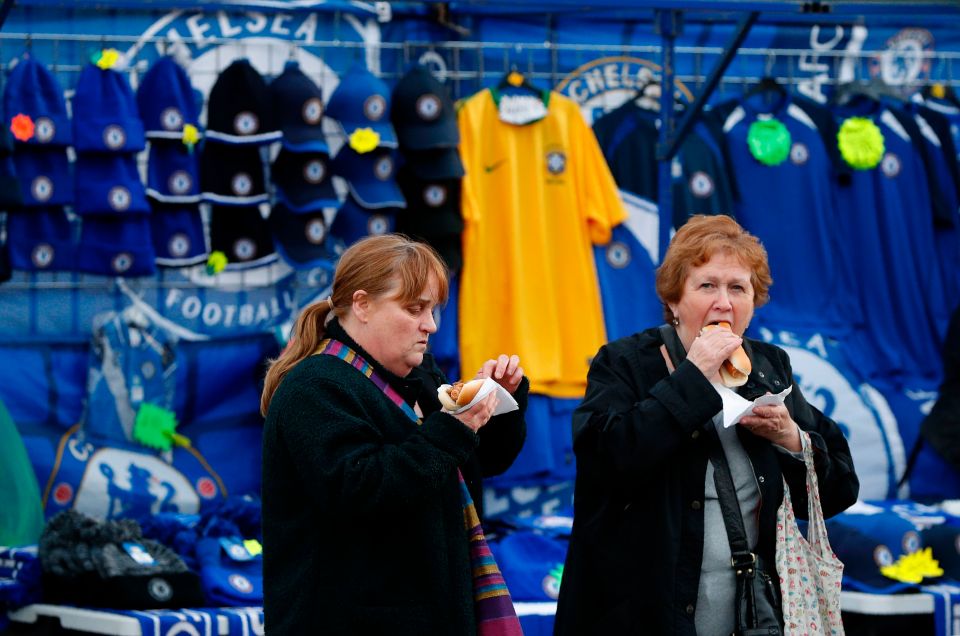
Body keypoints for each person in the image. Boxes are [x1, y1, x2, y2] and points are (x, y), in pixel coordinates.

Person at [554, 214, 858, 635]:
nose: (724, 303)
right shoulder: (625, 362)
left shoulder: (769, 368)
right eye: (707, 286)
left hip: (753, 618)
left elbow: (840, 491)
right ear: (675, 300)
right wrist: (692, 379)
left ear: (753, 304)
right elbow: (606, 462)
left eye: (738, 288)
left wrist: (791, 439)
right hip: (642, 618)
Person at [260, 234, 529, 635]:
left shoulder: (421, 377)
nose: (431, 325)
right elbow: (361, 490)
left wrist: (497, 404)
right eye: (414, 308)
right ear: (363, 305)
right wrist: (454, 428)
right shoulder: (314, 387)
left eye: (433, 309)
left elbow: (474, 464)